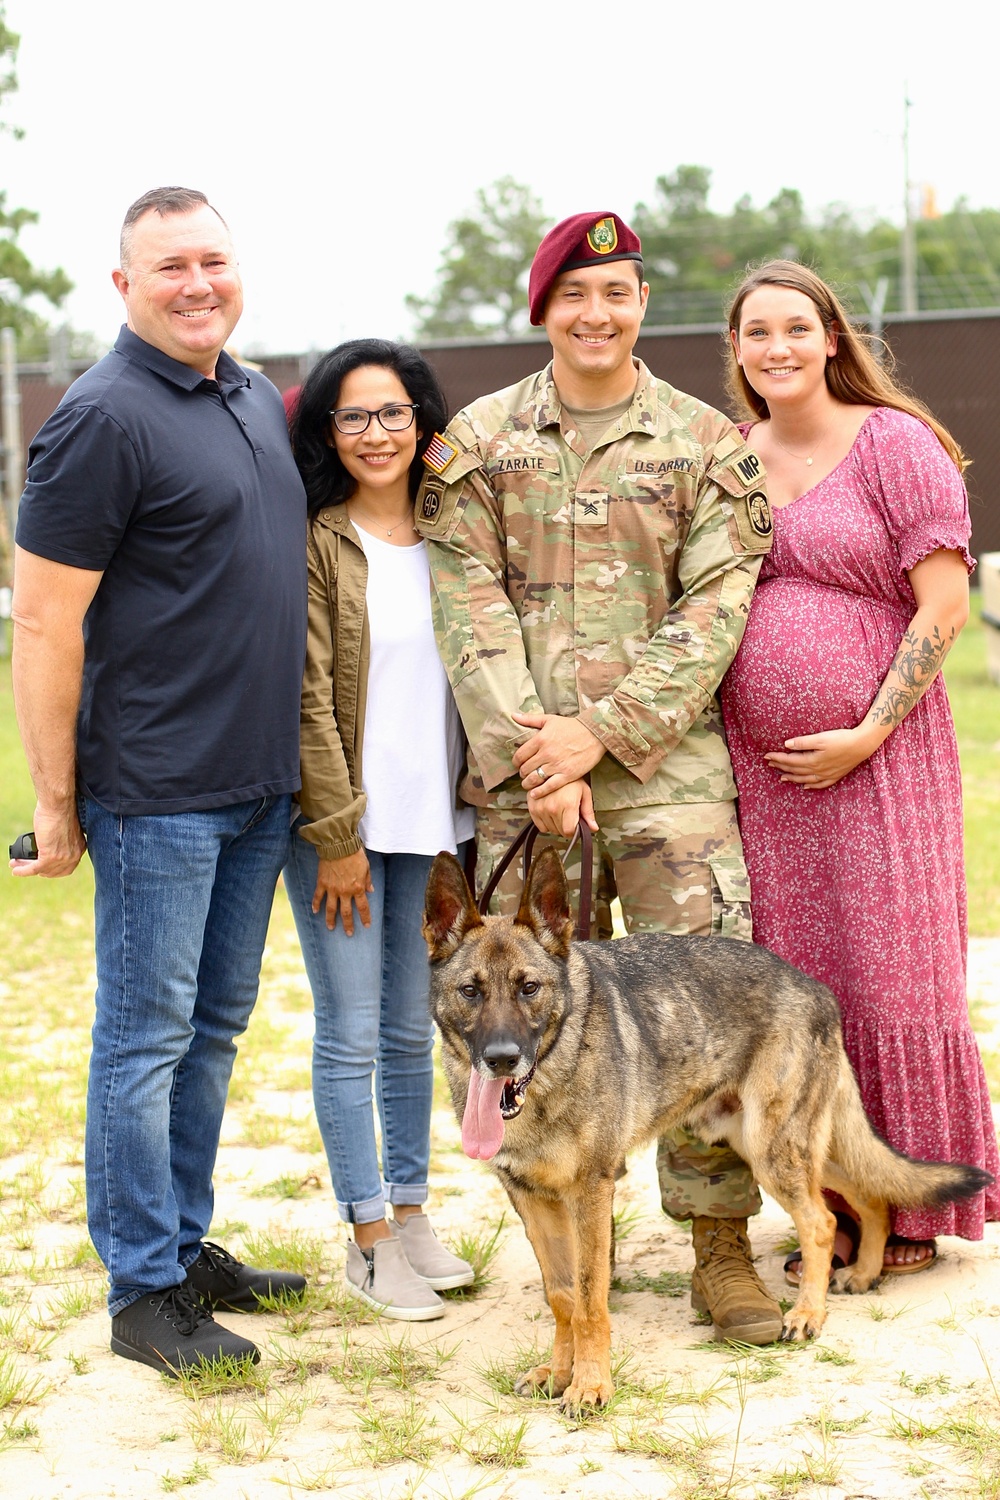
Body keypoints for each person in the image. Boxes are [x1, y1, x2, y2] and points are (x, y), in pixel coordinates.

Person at [414, 212, 784, 1344]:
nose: (597, 313)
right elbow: (465, 608)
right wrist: (541, 751)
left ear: (639, 304)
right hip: (526, 789)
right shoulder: (477, 441)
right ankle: (575, 1269)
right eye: (574, 294)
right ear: (543, 309)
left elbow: (717, 603)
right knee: (512, 1010)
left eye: (617, 291)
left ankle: (719, 1252)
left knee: (700, 1024)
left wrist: (603, 734)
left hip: (665, 785)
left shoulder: (705, 442)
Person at [10, 187, 309, 1373]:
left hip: (256, 786)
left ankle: (185, 1248)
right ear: (124, 287)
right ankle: (143, 1292)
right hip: (155, 793)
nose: (199, 284)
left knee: (213, 1032)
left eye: (215, 261)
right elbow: (42, 623)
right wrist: (54, 807)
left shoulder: (244, 393)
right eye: (170, 267)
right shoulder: (100, 418)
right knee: (143, 1041)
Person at [721, 259, 1000, 1279]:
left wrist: (864, 734)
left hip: (881, 762)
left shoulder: (895, 445)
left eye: (796, 328)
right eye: (757, 333)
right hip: (767, 781)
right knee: (802, 986)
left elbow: (943, 608)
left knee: (889, 975)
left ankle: (909, 1207)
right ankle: (827, 1205)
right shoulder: (733, 456)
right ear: (738, 351)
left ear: (831, 337)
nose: (778, 348)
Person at [284, 339, 476, 1321]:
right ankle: (364, 1240)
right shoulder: (319, 540)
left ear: (421, 420)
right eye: (353, 416)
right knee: (351, 1034)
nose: (374, 433)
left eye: (392, 413)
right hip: (344, 831)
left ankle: (409, 1215)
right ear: (328, 430)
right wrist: (334, 834)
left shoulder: (451, 534)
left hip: (433, 824)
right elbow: (309, 697)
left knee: (411, 1032)